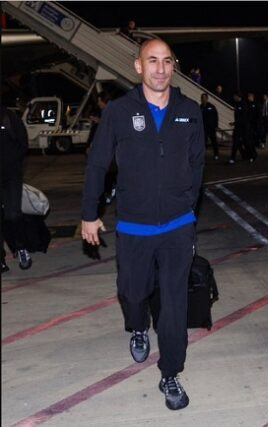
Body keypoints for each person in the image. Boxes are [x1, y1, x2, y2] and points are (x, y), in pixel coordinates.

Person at [81, 38, 205, 411]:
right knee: (133, 294)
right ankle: (137, 327)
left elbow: (198, 163)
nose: (160, 68)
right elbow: (98, 165)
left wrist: (187, 203)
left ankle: (170, 373)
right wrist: (90, 213)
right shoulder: (119, 112)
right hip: (133, 227)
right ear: (138, 66)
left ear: (173, 66)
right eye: (152, 60)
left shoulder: (189, 111)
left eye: (167, 61)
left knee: (173, 305)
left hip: (177, 226)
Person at [1, 105, 31, 272]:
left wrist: (13, 165)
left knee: (12, 215)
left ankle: (21, 248)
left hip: (11, 176)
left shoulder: (9, 117)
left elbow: (23, 143)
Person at [228, 93, 255, 164]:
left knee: (246, 143)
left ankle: (252, 155)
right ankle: (232, 158)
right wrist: (235, 123)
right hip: (237, 127)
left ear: (238, 97)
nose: (233, 97)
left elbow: (243, 118)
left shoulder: (244, 104)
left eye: (234, 96)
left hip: (244, 127)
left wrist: (235, 123)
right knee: (235, 143)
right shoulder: (236, 104)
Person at [200, 93, 219, 159]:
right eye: (202, 98)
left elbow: (216, 116)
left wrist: (216, 126)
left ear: (207, 98)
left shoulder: (211, 106)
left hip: (211, 127)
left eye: (205, 98)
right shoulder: (200, 107)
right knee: (203, 142)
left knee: (214, 141)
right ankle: (202, 155)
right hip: (204, 127)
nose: (203, 99)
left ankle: (216, 154)